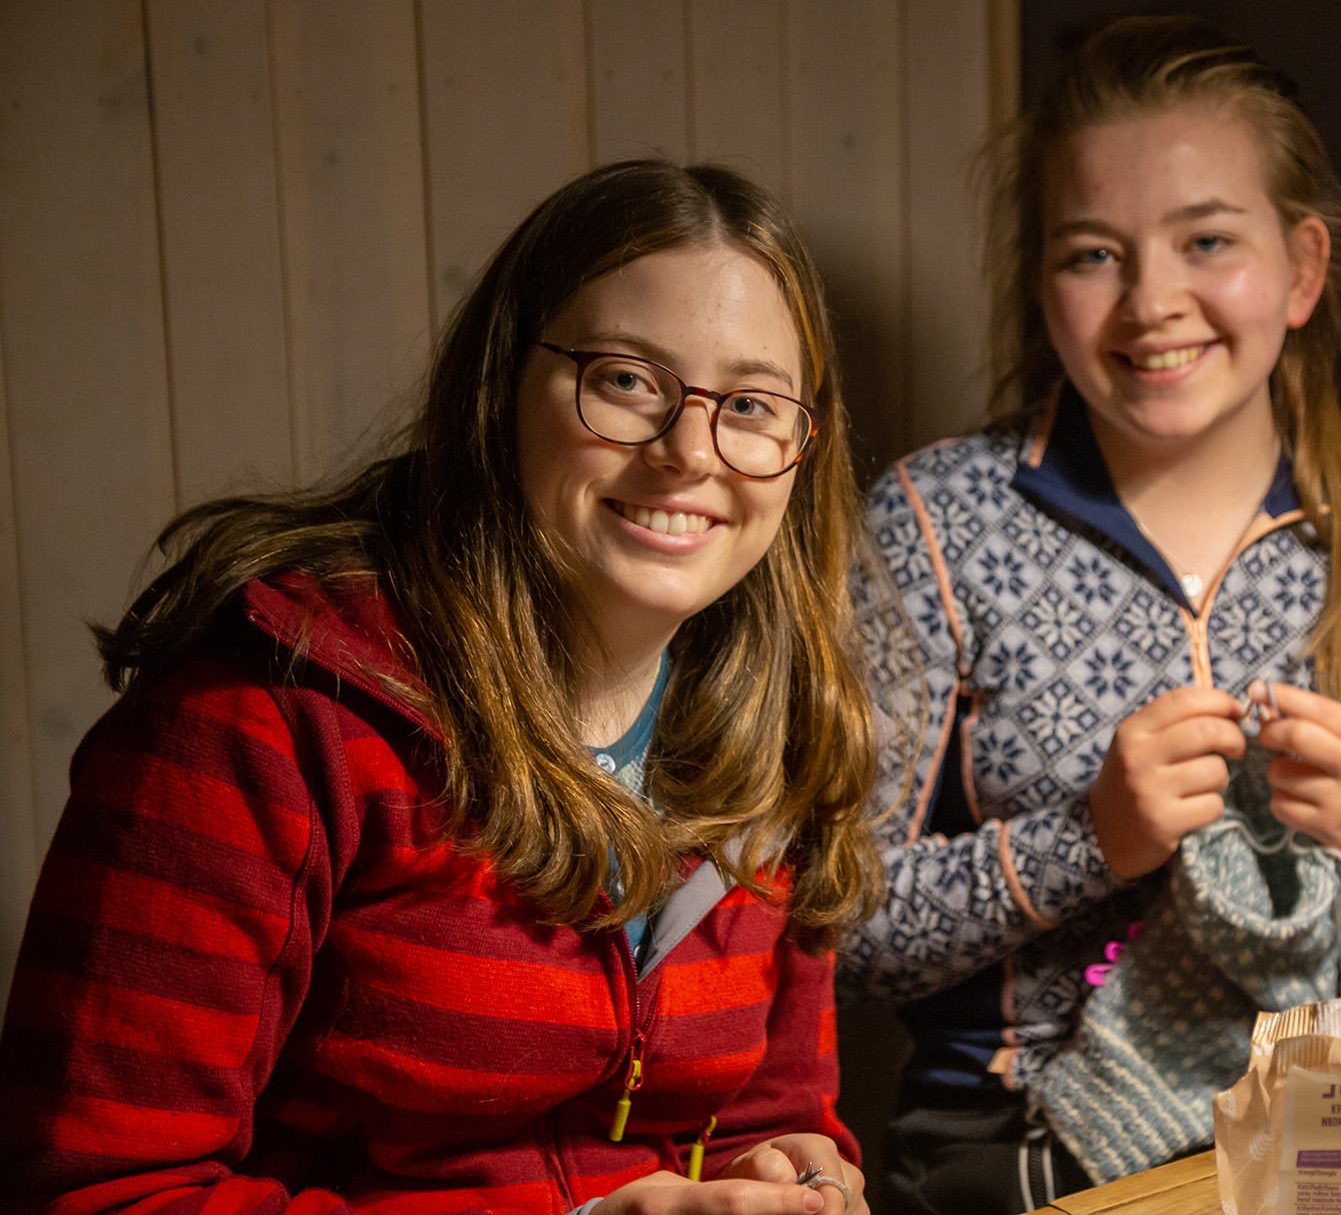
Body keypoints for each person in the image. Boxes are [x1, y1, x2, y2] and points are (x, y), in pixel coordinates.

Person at [0, 161, 878, 1215]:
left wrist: (797, 1176)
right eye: (626, 380)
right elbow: (98, 1193)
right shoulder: (264, 720)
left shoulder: (770, 719)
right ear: (499, 385)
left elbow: (764, 1114)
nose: (689, 450)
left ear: (799, 448)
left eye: (748, 404)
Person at [843, 17, 1341, 1214]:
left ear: (1303, 270)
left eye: (1205, 239)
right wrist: (1087, 838)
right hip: (1014, 1151)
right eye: (1092, 254)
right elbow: (828, 927)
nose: (1151, 301)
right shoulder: (934, 519)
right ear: (1043, 280)